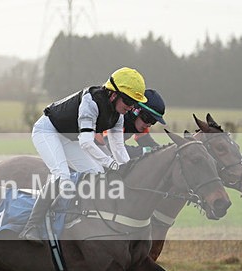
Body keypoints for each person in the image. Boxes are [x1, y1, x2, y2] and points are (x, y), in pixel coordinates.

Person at [19, 67, 147, 242]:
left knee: (96, 173)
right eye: (128, 100)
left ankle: (77, 217)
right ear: (113, 94)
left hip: (68, 138)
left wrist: (128, 168)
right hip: (47, 131)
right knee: (62, 176)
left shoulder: (119, 115)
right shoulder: (91, 101)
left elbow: (118, 148)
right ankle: (30, 227)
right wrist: (111, 164)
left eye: (134, 103)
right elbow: (86, 142)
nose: (130, 107)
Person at [120, 88, 167, 158]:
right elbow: (111, 148)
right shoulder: (117, 118)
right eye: (148, 119)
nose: (149, 124)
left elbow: (148, 143)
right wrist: (144, 151)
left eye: (153, 121)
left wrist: (166, 150)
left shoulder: (140, 123)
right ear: (136, 110)